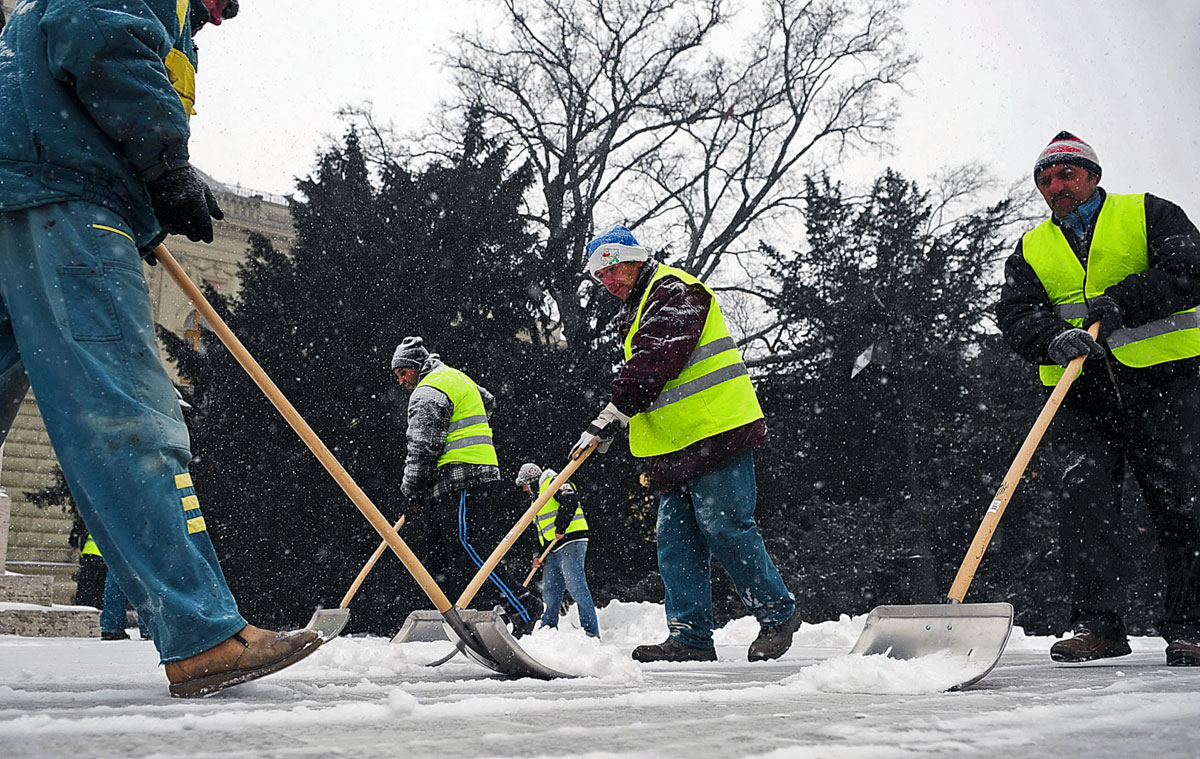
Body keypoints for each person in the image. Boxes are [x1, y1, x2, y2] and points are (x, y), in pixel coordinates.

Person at [0, 0, 321, 697]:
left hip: (26, 186)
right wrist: (166, 164)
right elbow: (95, 35)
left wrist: (150, 202)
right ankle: (202, 632)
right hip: (64, 198)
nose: (227, 13)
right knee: (127, 411)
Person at [997, 131, 1200, 667]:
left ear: (1092, 176)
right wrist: (1050, 338)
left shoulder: (1149, 214)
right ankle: (1098, 625)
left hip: (1167, 384)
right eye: (1045, 179)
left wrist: (1124, 303)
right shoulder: (1032, 249)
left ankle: (1192, 626)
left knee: (1184, 504)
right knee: (1083, 506)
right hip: (1083, 397)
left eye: (1066, 174)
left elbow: (1189, 269)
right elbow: (1014, 315)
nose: (1055, 186)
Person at [573, 225, 800, 663]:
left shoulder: (675, 291)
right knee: (676, 540)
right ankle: (690, 636)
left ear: (634, 258)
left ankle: (778, 614)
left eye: (612, 269)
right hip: (675, 447)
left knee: (724, 526)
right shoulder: (637, 308)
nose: (608, 282)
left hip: (718, 433)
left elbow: (657, 360)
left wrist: (611, 414)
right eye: (600, 277)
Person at [392, 336, 543, 636]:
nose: (400, 381)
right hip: (470, 473)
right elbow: (488, 401)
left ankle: (524, 605)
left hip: (462, 475)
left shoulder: (427, 392)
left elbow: (422, 447)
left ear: (415, 366)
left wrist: (412, 490)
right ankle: (445, 617)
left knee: (466, 545)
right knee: (436, 550)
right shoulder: (454, 377)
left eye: (403, 373)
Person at [516, 462, 600, 638]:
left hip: (571, 540)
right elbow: (538, 531)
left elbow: (570, 500)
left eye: (524, 485)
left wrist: (561, 527)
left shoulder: (554, 482)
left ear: (531, 481)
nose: (524, 490)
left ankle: (591, 633)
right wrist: (536, 555)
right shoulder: (536, 501)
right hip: (552, 548)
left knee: (576, 585)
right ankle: (548, 629)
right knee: (551, 590)